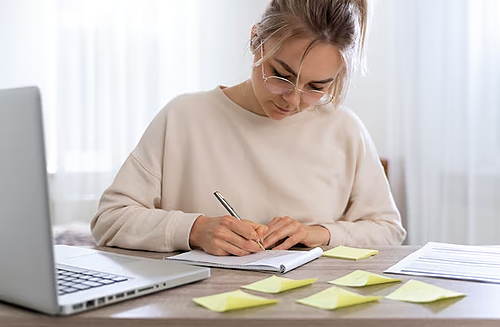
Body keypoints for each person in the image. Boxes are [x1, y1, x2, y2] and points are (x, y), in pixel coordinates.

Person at [91, 0, 406, 256]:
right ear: (256, 39)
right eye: (281, 75)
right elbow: (109, 219)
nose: (294, 100)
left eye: (316, 86)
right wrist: (195, 230)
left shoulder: (344, 130)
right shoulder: (184, 116)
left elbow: (388, 230)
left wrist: (319, 234)